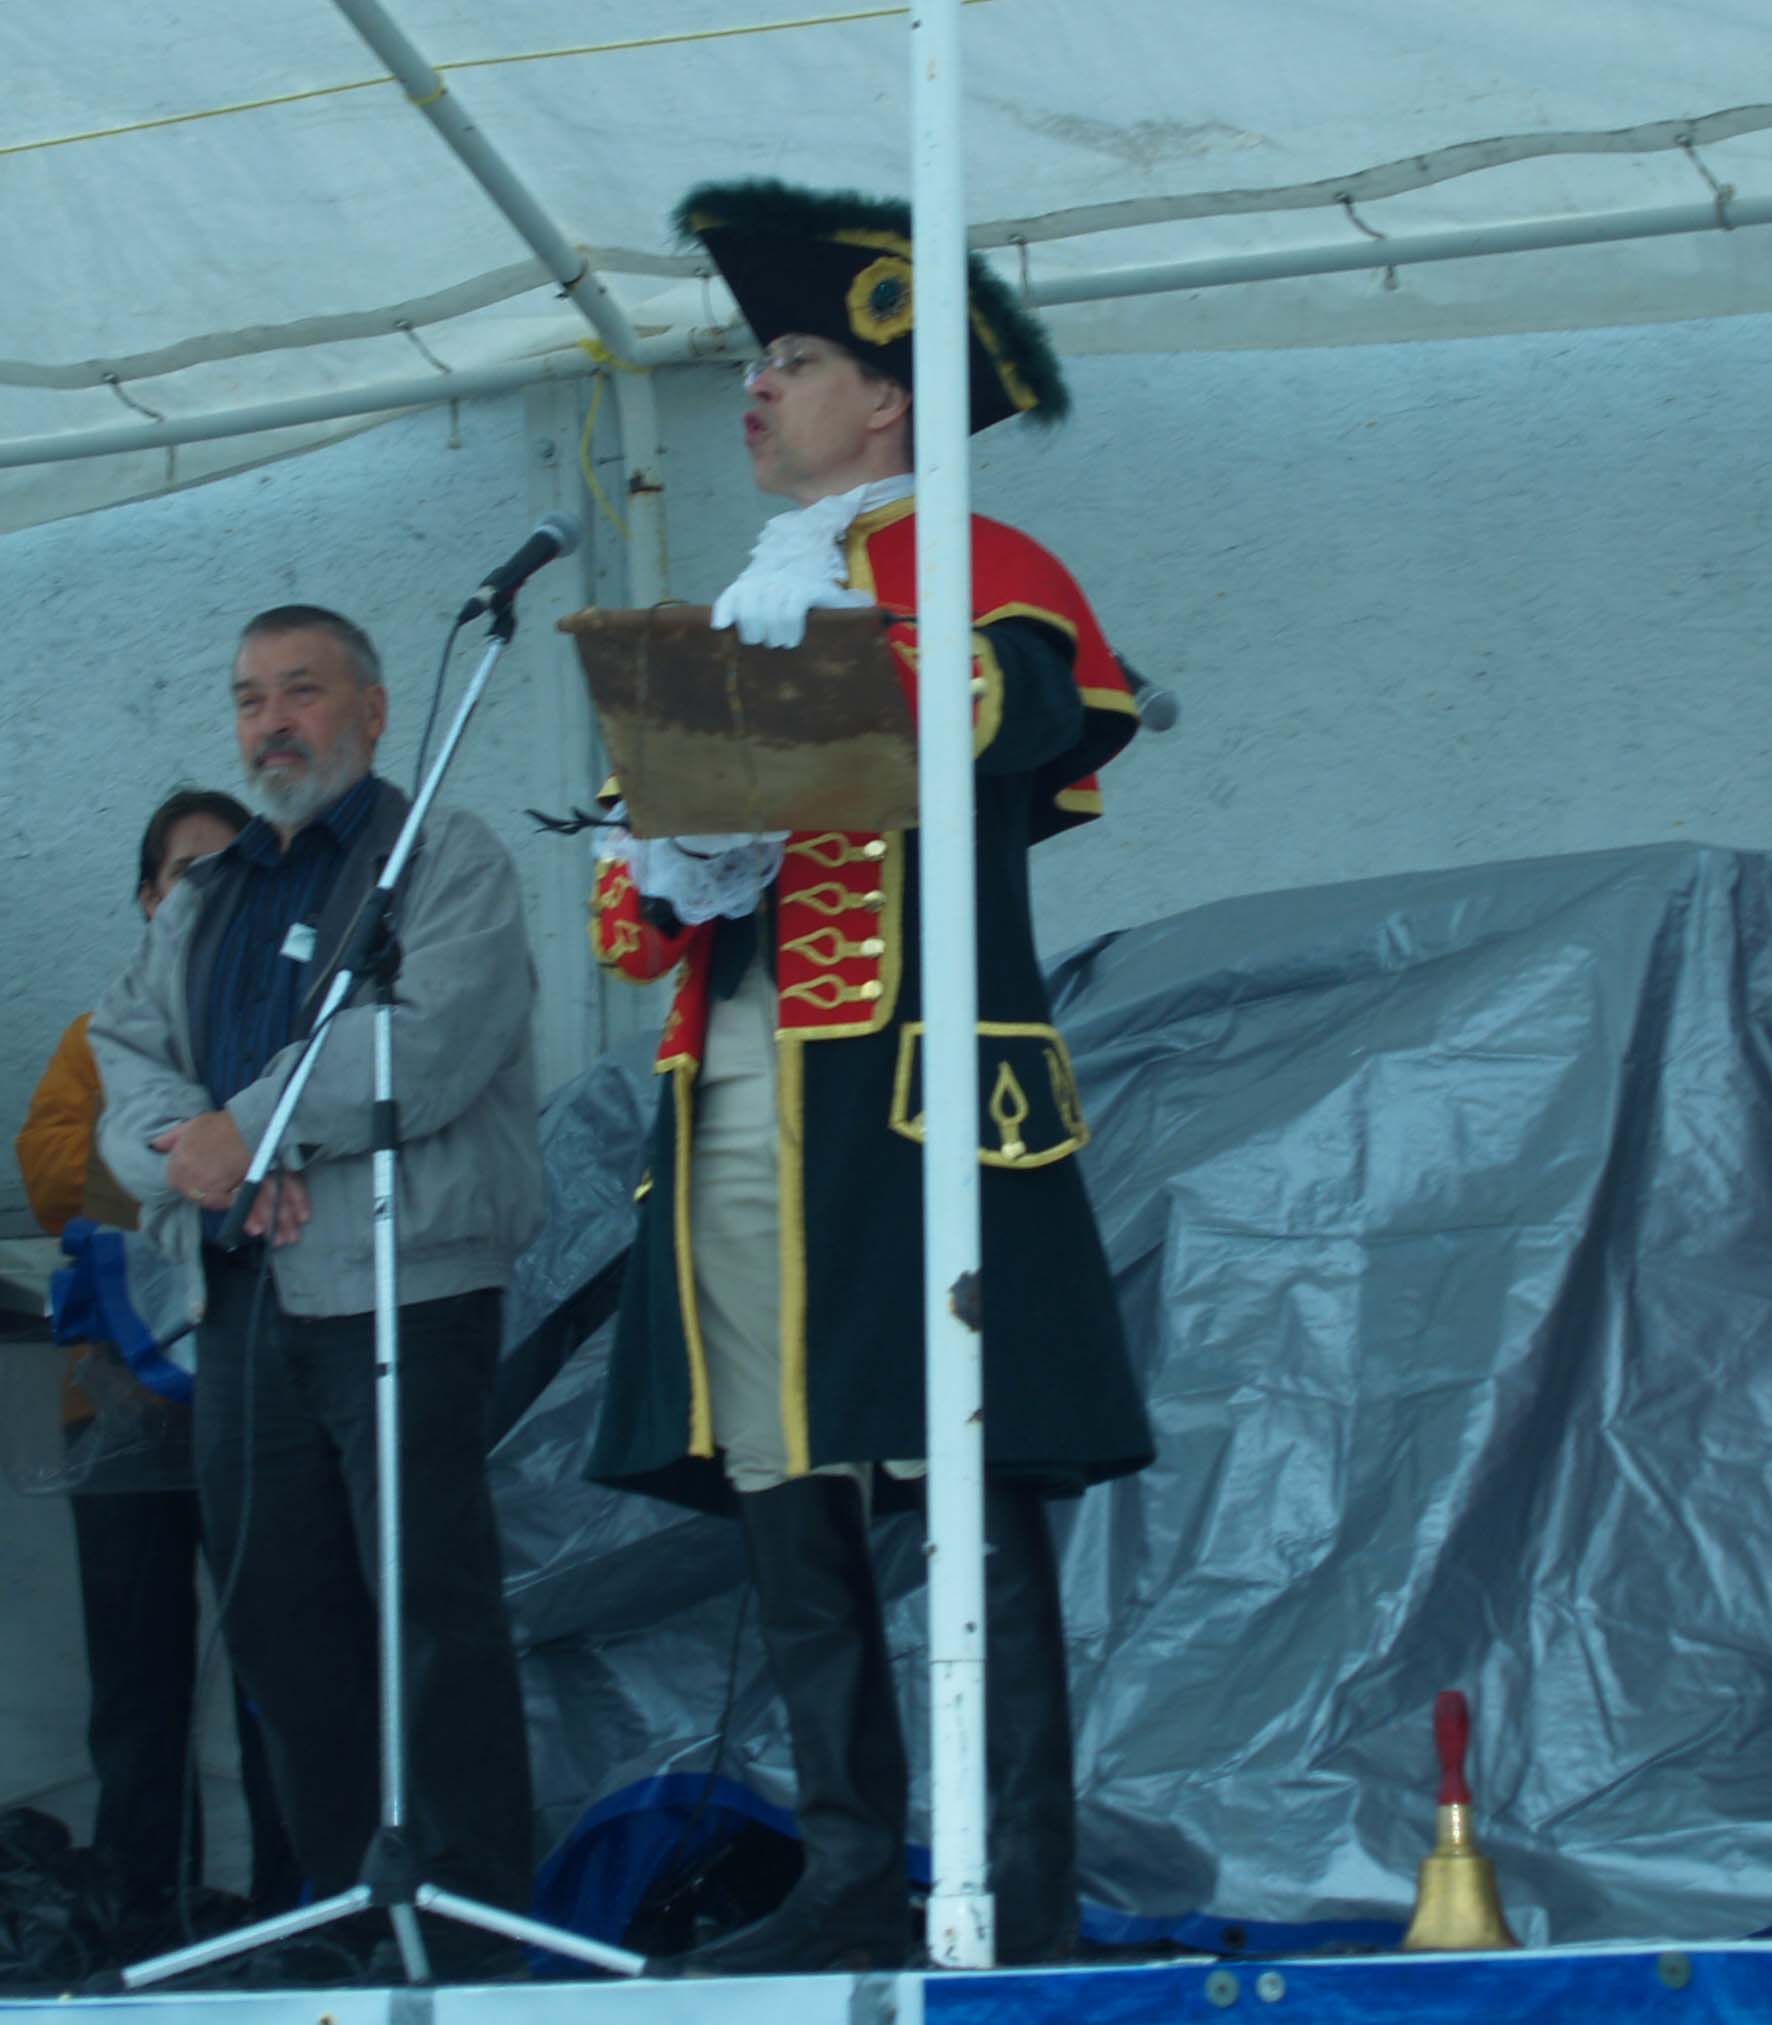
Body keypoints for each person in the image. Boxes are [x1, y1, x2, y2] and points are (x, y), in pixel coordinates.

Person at [582, 179, 1154, 1972]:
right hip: (739, 1092)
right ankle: (847, 1874)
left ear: (892, 397)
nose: (754, 389)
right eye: (754, 358)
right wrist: (679, 817)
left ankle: (1024, 1891)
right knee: (784, 1484)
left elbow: (1032, 717)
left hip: (909, 1098)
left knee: (969, 1489)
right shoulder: (739, 598)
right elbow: (630, 920)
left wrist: (818, 704)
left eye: (796, 356)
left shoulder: (984, 564)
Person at [88, 607, 543, 1961]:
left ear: (375, 709)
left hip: (408, 1292)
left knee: (431, 1620)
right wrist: (196, 1151)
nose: (271, 722)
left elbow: (439, 1040)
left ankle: (470, 1936)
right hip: (245, 1306)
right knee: (281, 1627)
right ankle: (350, 1915)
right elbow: (126, 1060)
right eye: (248, 700)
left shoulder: (443, 854)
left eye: (301, 692)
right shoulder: (214, 890)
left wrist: (258, 1126)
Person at [15, 787, 296, 1938]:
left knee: (287, 1661)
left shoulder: (284, 1026)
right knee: (137, 1685)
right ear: (146, 900)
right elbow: (46, 1171)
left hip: (266, 1395)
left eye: (228, 870)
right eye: (183, 874)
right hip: (118, 1408)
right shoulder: (97, 1036)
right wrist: (190, 1151)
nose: (202, 892)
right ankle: (142, 1917)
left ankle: (300, 1906)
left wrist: (179, 1153)